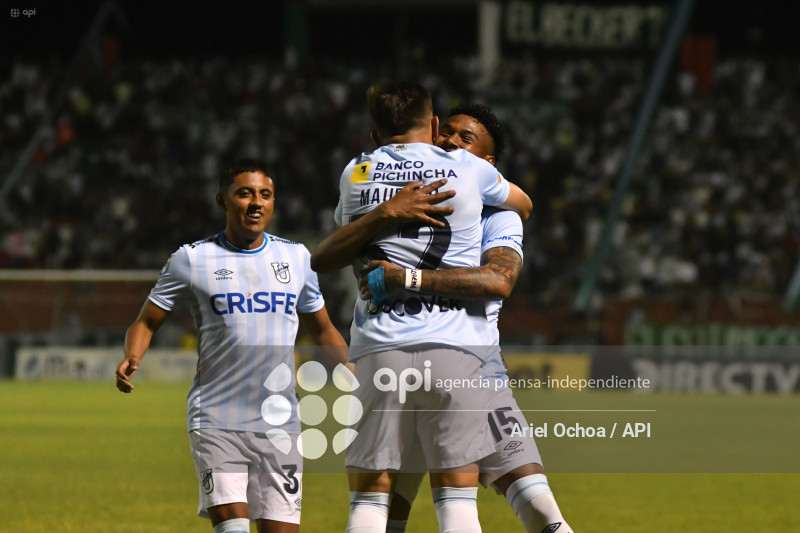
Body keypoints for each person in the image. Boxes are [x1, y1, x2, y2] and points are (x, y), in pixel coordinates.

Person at [311, 81, 532, 533]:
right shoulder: (467, 167)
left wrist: (384, 212)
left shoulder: (354, 172)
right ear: (433, 125)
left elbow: (326, 256)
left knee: (371, 500)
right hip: (456, 348)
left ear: (373, 134)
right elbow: (522, 203)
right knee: (456, 502)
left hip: (380, 346)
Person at [360, 103, 575, 533]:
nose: (450, 142)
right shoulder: (398, 199)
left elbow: (499, 280)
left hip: (474, 363)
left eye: (466, 139)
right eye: (447, 132)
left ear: (488, 165)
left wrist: (409, 278)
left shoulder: (499, 215)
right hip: (401, 357)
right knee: (387, 514)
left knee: (540, 508)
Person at [115, 158, 348, 533]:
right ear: (222, 200)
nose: (256, 202)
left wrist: (355, 376)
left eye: (265, 194)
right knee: (233, 527)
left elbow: (323, 330)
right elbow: (146, 321)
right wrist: (133, 354)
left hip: (280, 422)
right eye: (245, 193)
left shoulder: (297, 258)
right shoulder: (191, 259)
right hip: (216, 418)